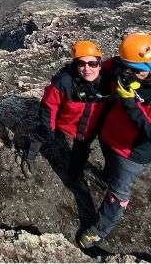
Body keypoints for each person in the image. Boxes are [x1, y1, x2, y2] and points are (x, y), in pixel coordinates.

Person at [78, 32, 151, 249]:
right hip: (110, 137)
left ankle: (99, 229)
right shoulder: (130, 65)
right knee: (110, 170)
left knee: (118, 192)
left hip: (131, 154)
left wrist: (130, 103)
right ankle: (107, 176)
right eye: (126, 67)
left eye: (135, 70)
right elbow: (109, 66)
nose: (128, 73)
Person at [22, 40, 111, 182]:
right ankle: (29, 156)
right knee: (42, 134)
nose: (87, 68)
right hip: (63, 122)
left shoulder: (108, 81)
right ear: (75, 65)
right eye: (81, 63)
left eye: (92, 63)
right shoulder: (64, 81)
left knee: (80, 152)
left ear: (100, 64)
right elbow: (49, 105)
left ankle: (74, 176)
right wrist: (48, 126)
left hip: (86, 129)